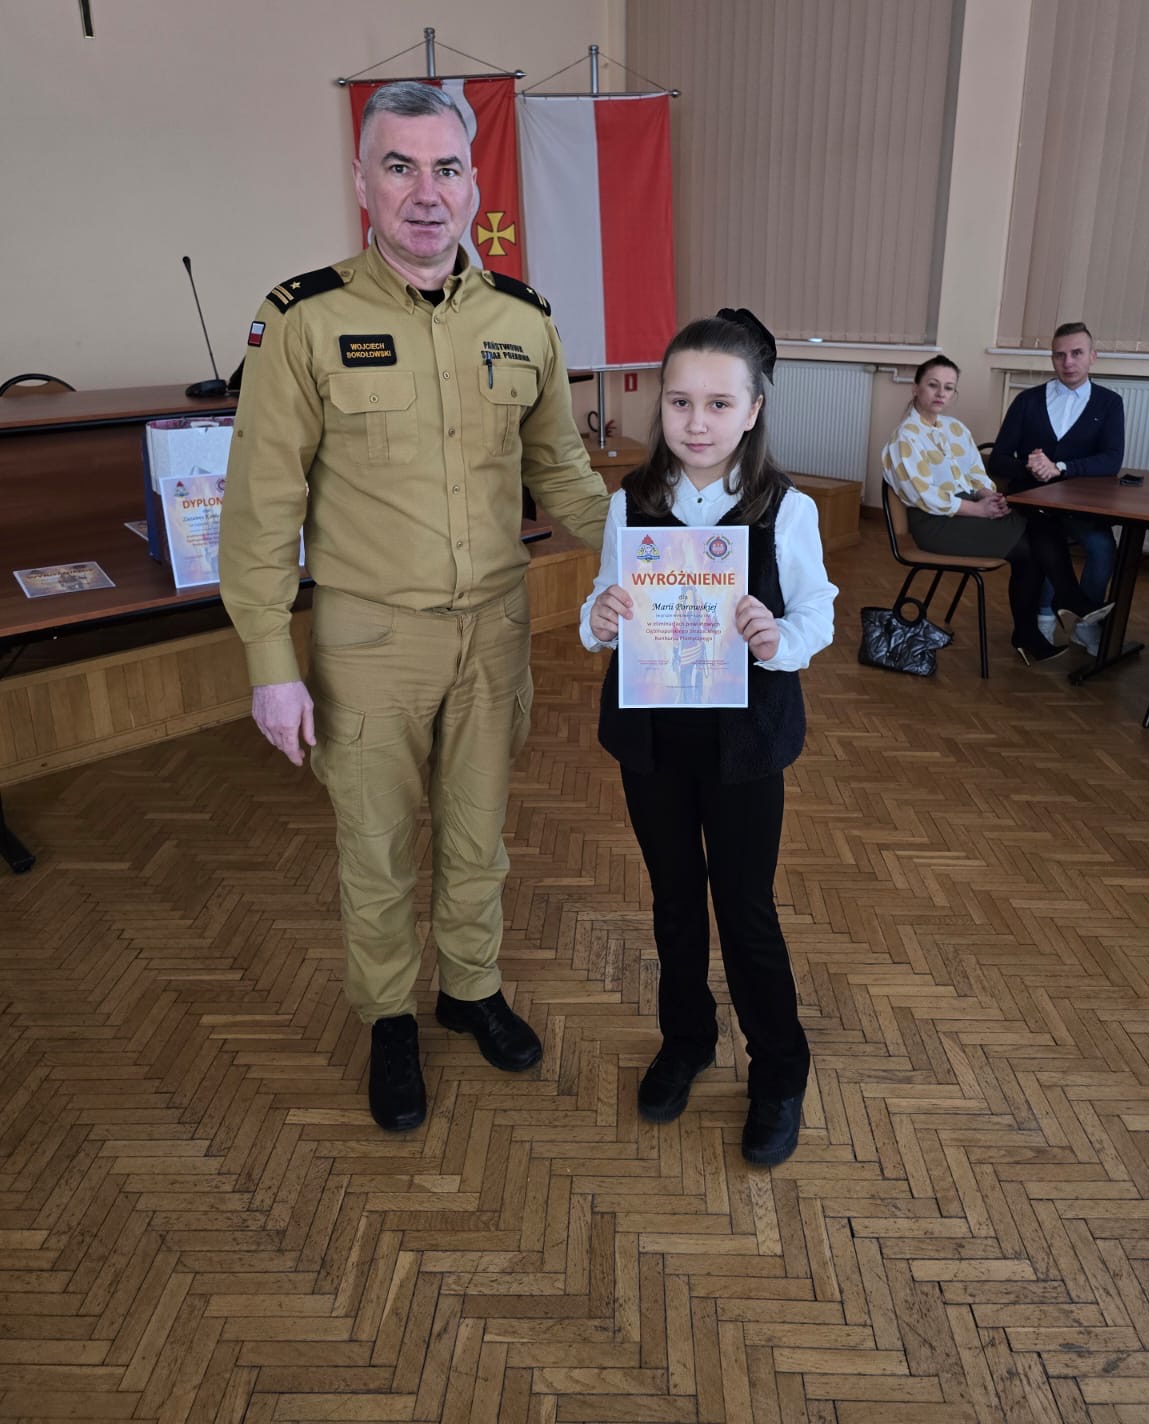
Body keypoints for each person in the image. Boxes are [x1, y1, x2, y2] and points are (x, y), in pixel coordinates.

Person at [219, 81, 611, 1135]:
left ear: (475, 183)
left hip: (494, 631)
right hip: (370, 640)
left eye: (445, 168)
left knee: (479, 833)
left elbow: (563, 473)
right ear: (362, 181)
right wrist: (269, 663)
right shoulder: (302, 319)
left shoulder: (522, 319)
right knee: (379, 845)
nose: (425, 192)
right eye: (400, 167)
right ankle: (389, 1015)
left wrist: (668, 552)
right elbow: (261, 506)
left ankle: (470, 988)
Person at [580, 309, 837, 1167]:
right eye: (681, 402)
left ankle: (779, 1070)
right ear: (661, 405)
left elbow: (817, 612)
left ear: (754, 410)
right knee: (674, 901)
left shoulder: (785, 508)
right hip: (654, 740)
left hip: (744, 744)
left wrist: (777, 637)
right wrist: (599, 617)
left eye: (719, 404)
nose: (697, 422)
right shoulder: (632, 502)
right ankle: (686, 1039)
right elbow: (603, 602)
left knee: (746, 909)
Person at [881, 356, 1111, 665]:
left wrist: (990, 495)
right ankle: (1063, 602)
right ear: (915, 388)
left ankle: (1037, 626)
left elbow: (976, 472)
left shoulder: (954, 428)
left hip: (967, 510)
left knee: (1037, 532)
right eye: (933, 385)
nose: (940, 393)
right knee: (1032, 539)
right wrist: (978, 510)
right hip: (935, 523)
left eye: (948, 387)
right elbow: (925, 495)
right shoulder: (905, 438)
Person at [988, 321, 1124, 654]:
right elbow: (998, 459)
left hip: (1081, 504)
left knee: (1103, 548)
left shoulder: (1109, 403)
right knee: (1045, 537)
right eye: (1059, 355)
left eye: (1076, 353)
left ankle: (1085, 625)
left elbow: (1111, 460)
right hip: (1030, 501)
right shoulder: (1027, 400)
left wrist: (1060, 467)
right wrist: (1031, 467)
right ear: (1052, 358)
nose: (1068, 362)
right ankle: (1045, 617)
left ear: (1092, 356)